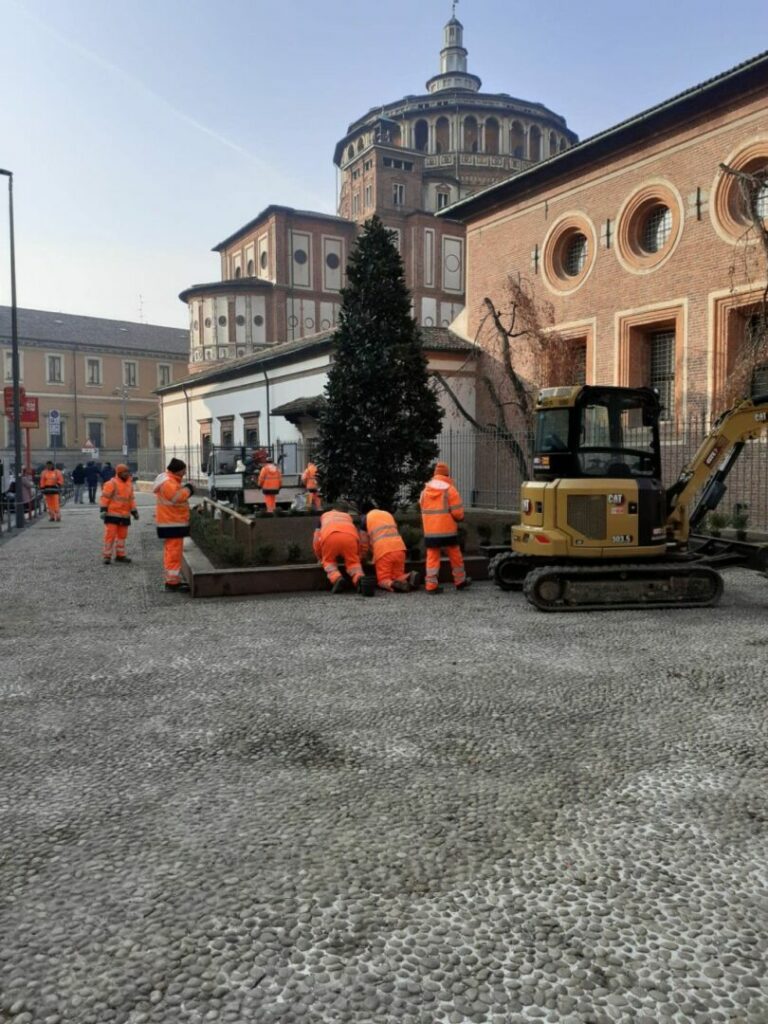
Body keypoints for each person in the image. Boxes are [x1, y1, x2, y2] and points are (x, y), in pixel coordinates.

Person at [419, 461, 471, 593]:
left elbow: (422, 507)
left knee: (432, 557)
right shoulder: (450, 490)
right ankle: (460, 581)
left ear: (435, 474)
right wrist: (459, 519)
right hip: (448, 530)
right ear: (447, 474)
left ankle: (431, 586)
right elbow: (458, 513)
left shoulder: (425, 491)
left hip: (431, 531)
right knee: (455, 554)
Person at [153, 457, 194, 591]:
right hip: (172, 522)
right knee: (174, 552)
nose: (185, 473)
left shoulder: (168, 480)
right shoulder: (169, 483)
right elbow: (177, 497)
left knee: (172, 551)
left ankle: (172, 580)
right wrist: (189, 490)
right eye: (183, 470)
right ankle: (172, 583)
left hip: (170, 521)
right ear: (178, 470)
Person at [360, 505, 418, 592]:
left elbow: (364, 542)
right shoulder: (387, 514)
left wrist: (363, 556)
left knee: (383, 579)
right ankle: (409, 576)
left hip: (383, 551)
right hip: (400, 549)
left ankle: (392, 585)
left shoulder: (365, 518)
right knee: (397, 576)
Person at [313, 505, 367, 593]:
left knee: (329, 562)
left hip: (330, 537)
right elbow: (358, 536)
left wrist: (320, 557)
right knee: (353, 563)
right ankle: (359, 578)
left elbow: (316, 540)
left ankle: (337, 578)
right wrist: (360, 556)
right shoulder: (347, 516)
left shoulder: (323, 517)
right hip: (350, 538)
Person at [99, 463, 139, 564]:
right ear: (119, 473)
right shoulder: (111, 483)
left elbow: (131, 500)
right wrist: (103, 509)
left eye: (127, 472)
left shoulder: (129, 484)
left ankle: (120, 555)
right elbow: (105, 497)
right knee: (110, 536)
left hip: (124, 515)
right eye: (124, 472)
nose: (127, 474)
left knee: (122, 536)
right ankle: (107, 556)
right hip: (112, 514)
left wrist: (134, 511)